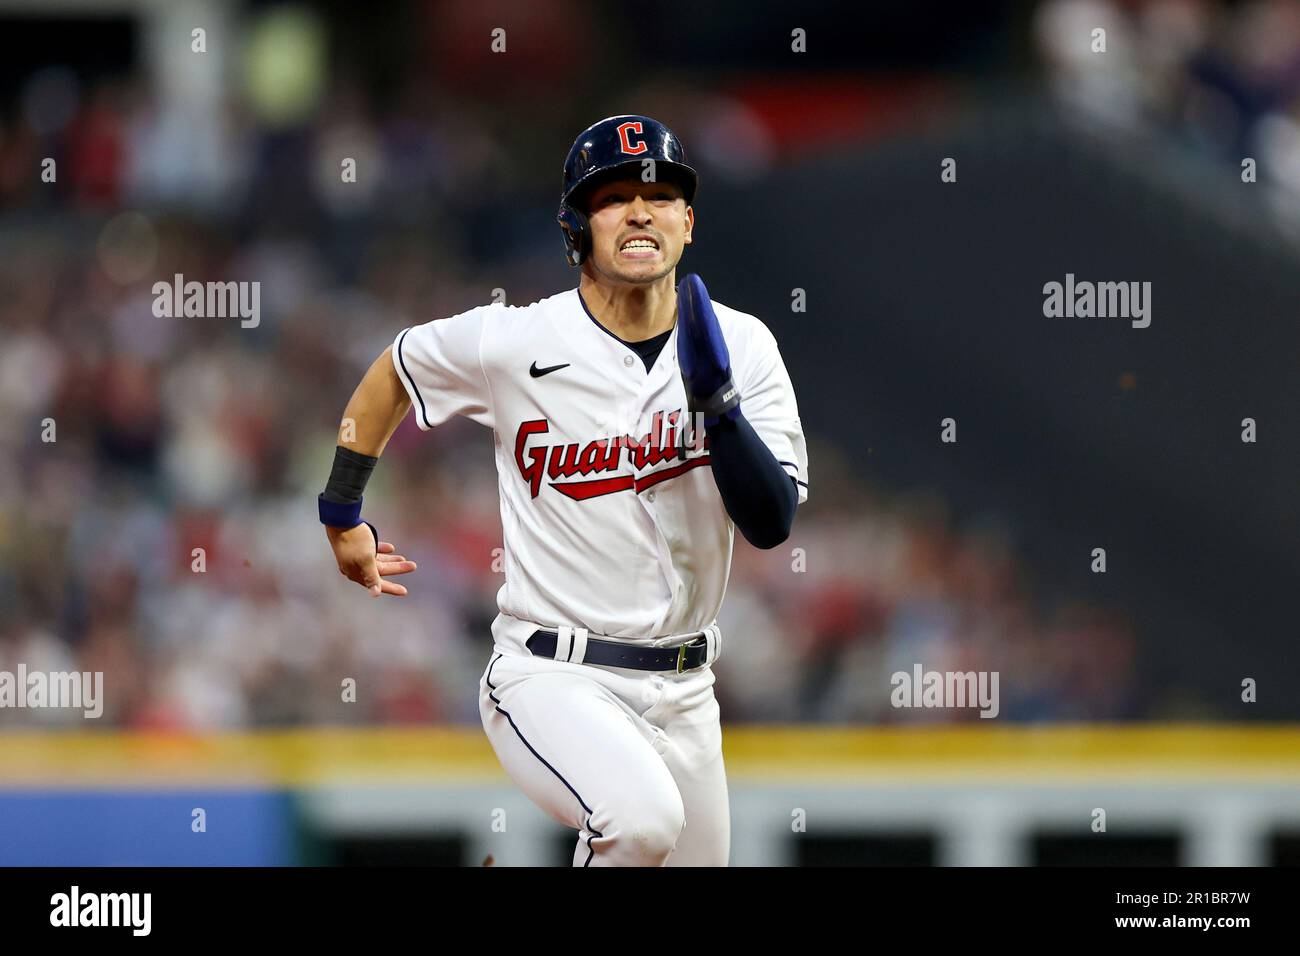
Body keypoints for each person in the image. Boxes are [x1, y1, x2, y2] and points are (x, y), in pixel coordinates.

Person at [320, 115, 809, 866]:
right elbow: (394, 370)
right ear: (576, 228)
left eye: (661, 193)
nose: (640, 210)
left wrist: (720, 413)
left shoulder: (743, 347)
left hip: (686, 690)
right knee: (640, 824)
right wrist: (341, 513)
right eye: (613, 197)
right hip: (552, 673)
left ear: (687, 220)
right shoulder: (515, 341)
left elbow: (771, 523)